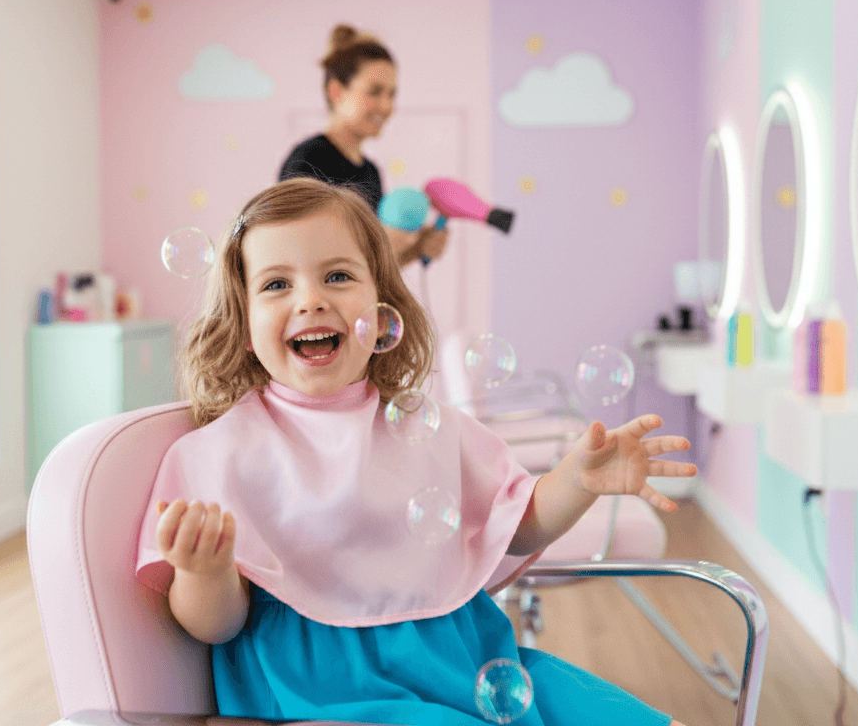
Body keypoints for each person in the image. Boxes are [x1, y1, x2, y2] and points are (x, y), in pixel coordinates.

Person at [135, 177, 695, 725]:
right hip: (325, 693)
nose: (311, 300)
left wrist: (579, 479)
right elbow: (215, 626)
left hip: (465, 666)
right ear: (242, 320)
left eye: (337, 276)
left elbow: (519, 526)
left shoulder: (427, 425)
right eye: (276, 284)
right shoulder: (215, 453)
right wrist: (204, 572)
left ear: (382, 306)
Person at [279, 24, 449, 269]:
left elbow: (370, 269)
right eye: (375, 92)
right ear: (337, 92)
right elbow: (298, 254)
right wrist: (379, 244)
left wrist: (413, 250)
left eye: (392, 94)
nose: (387, 106)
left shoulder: (371, 172)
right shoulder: (309, 160)